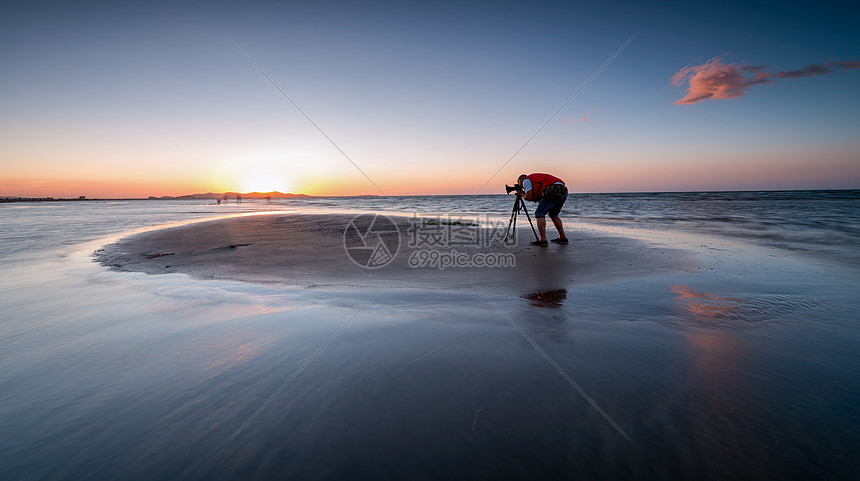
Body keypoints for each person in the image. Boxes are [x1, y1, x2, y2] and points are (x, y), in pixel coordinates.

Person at [515, 173, 569, 246]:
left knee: (539, 213)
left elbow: (529, 197)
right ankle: (563, 238)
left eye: (520, 184)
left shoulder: (526, 181)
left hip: (553, 188)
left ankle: (542, 240)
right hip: (563, 189)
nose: (522, 187)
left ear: (520, 180)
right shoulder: (535, 180)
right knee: (553, 215)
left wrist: (521, 193)